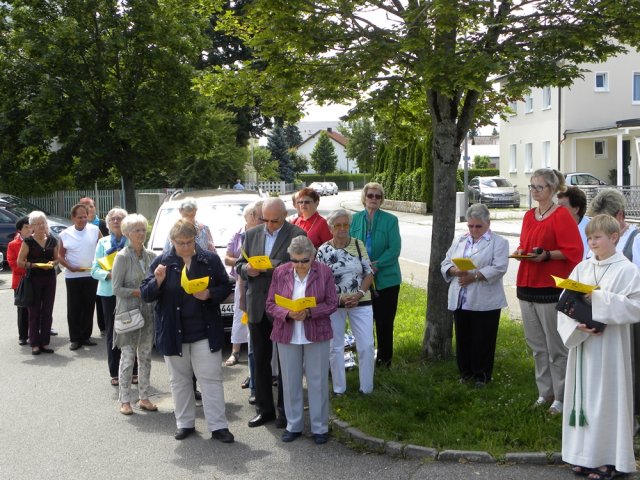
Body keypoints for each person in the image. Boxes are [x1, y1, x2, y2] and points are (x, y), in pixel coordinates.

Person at [558, 214, 640, 479]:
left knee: (606, 400)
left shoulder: (627, 270)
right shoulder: (582, 267)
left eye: (597, 237)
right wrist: (574, 324)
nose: (591, 242)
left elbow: (635, 306)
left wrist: (598, 298)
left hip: (610, 348)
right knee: (582, 400)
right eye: (589, 237)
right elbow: (564, 300)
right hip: (583, 344)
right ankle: (581, 455)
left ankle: (608, 460)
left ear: (614, 237)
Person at [141, 220, 234, 443]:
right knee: (179, 381)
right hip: (174, 331)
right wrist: (158, 281)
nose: (185, 247)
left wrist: (210, 293)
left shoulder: (209, 259)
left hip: (204, 330)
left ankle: (218, 426)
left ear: (195, 239)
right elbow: (145, 294)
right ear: (172, 242)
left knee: (210, 379)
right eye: (180, 243)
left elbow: (225, 285)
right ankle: (185, 424)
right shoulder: (162, 261)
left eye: (189, 242)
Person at [514, 168, 583, 415]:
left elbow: (574, 252)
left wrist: (546, 256)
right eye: (531, 186)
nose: (533, 191)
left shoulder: (562, 215)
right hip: (527, 285)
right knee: (537, 346)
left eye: (538, 187)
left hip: (550, 288)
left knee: (556, 347)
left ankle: (562, 397)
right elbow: (524, 244)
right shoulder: (529, 216)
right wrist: (523, 252)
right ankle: (545, 392)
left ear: (552, 189)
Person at [235, 197, 306, 428]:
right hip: (257, 304)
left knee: (286, 361)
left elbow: (301, 264)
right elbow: (238, 264)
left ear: (284, 216)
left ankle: (286, 411)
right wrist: (247, 269)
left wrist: (271, 265)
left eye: (274, 221)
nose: (269, 225)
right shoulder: (252, 234)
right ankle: (264, 409)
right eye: (265, 220)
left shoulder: (296, 233)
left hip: (283, 305)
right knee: (261, 360)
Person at [266, 236, 338, 444]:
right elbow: (270, 303)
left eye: (304, 261)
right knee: (289, 382)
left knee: (317, 381)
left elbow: (332, 302)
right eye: (295, 260)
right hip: (287, 333)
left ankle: (320, 427)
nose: (299, 265)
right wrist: (288, 313)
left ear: (312, 257)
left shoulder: (323, 271)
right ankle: (293, 425)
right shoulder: (281, 272)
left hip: (317, 331)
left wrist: (310, 311)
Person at [441, 204, 509, 387]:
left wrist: (475, 277)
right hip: (461, 297)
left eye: (478, 226)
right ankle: (465, 373)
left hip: (485, 300)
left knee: (483, 338)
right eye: (470, 226)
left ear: (488, 223)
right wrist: (454, 270)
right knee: (463, 337)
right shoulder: (460, 240)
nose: (474, 230)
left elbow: (499, 267)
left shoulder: (499, 242)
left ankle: (482, 375)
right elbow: (446, 261)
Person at [587, 188, 640, 420]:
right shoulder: (596, 244)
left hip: (629, 315)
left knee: (633, 368)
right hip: (599, 312)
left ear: (619, 216)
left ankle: (633, 415)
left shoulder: (636, 241)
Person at [316, 208, 375, 395]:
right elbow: (320, 281)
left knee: (366, 345)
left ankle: (366, 389)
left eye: (346, 225)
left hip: (361, 300)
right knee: (335, 347)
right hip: (335, 304)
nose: (342, 228)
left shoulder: (358, 244)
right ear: (331, 227)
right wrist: (340, 298)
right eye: (338, 225)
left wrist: (358, 294)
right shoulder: (323, 250)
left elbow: (369, 273)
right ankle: (339, 389)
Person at [349, 182, 401, 368]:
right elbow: (349, 244)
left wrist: (376, 265)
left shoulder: (391, 220)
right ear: (364, 197)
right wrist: (361, 266)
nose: (374, 199)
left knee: (385, 322)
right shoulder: (353, 219)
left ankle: (384, 360)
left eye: (378, 196)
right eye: (370, 195)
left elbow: (394, 249)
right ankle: (365, 359)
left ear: (382, 199)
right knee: (364, 322)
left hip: (387, 280)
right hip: (361, 279)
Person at [112, 214, 157, 415]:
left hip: (148, 312)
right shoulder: (122, 257)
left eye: (143, 229)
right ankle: (125, 400)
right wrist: (139, 292)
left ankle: (144, 397)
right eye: (137, 230)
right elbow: (116, 289)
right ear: (127, 233)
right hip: (128, 314)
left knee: (146, 355)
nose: (141, 233)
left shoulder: (151, 256)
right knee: (128, 357)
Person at [91, 207, 134, 386]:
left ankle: (134, 370)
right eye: (112, 219)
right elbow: (94, 270)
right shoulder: (102, 243)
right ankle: (115, 371)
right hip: (108, 292)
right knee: (113, 332)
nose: (116, 221)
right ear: (108, 224)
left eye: (119, 218)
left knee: (132, 329)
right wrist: (109, 275)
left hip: (129, 292)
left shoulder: (131, 242)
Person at [224, 201, 263, 370]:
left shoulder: (263, 232)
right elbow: (227, 259)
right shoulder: (238, 234)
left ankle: (255, 352)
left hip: (260, 278)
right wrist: (244, 263)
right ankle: (235, 351)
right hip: (242, 278)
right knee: (239, 315)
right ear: (246, 217)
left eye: (257, 214)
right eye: (253, 214)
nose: (256, 217)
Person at [58, 203, 102, 351]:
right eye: (80, 217)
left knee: (89, 306)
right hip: (73, 276)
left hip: (91, 274)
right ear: (72, 218)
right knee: (74, 307)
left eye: (85, 216)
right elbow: (60, 255)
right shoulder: (65, 234)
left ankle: (85, 336)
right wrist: (69, 267)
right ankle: (75, 338)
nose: (83, 220)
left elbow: (102, 247)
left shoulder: (95, 230)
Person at [17, 211, 59, 355]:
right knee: (34, 311)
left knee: (48, 311)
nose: (42, 226)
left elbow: (57, 259)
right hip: (33, 279)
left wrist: (53, 263)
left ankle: (45, 342)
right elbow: (19, 262)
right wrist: (33, 265)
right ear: (32, 227)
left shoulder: (52, 240)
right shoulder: (28, 241)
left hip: (49, 279)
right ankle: (34, 343)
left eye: (43, 223)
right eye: (38, 223)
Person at [80, 197, 109, 335]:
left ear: (95, 207)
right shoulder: (80, 225)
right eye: (85, 207)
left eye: (91, 206)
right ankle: (85, 331)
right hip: (84, 269)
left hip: (102, 267)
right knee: (87, 301)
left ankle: (104, 327)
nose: (89, 209)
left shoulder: (103, 224)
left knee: (101, 298)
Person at [8, 217, 31, 346]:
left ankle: (39, 331)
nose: (29, 229)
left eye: (30, 226)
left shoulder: (36, 241)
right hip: (21, 281)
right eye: (26, 227)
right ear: (19, 230)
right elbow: (13, 264)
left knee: (39, 306)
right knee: (23, 309)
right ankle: (23, 335)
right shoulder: (13, 244)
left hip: (36, 279)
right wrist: (31, 266)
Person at [557, 187, 589, 259]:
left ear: (576, 209)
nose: (557, 210)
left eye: (561, 206)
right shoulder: (554, 226)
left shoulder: (592, 230)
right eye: (557, 205)